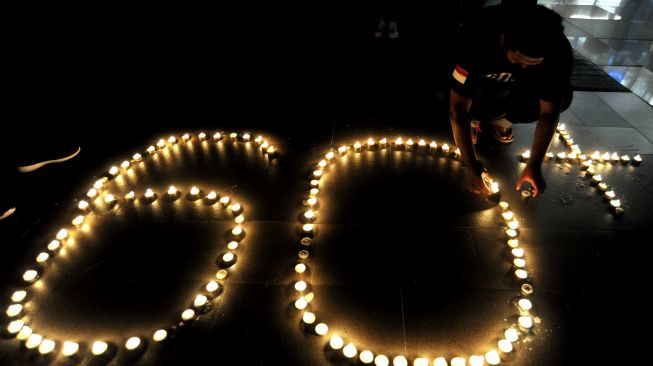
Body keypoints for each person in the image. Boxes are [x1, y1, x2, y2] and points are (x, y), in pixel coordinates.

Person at [449, 4, 573, 198]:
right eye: (518, 61)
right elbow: (457, 109)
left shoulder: (559, 52)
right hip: (482, 86)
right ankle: (476, 119)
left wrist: (534, 164)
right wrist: (472, 166)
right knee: (465, 106)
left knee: (562, 98)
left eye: (532, 64)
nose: (523, 67)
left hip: (518, 90)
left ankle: (503, 119)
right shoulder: (475, 40)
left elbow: (549, 114)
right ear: (503, 40)